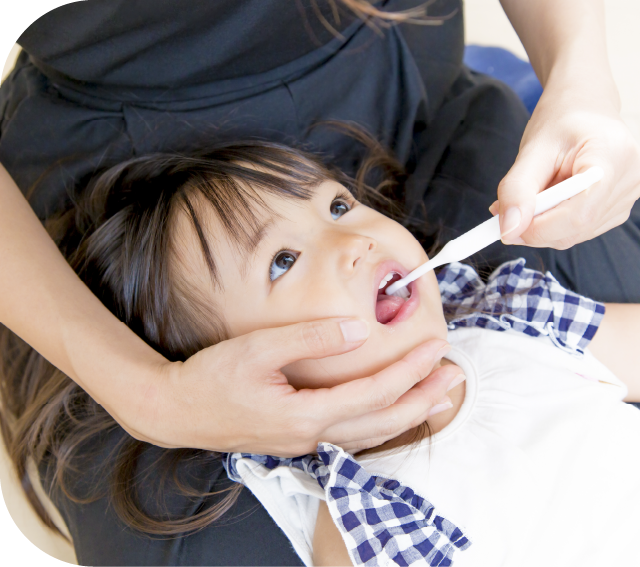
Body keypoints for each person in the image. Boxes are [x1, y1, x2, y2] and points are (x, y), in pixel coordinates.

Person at [1, 0, 639, 563]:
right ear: (245, 371)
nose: (355, 241)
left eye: (337, 205)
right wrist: (147, 396)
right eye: (283, 261)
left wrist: (582, 85)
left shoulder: (510, 317)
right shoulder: (363, 513)